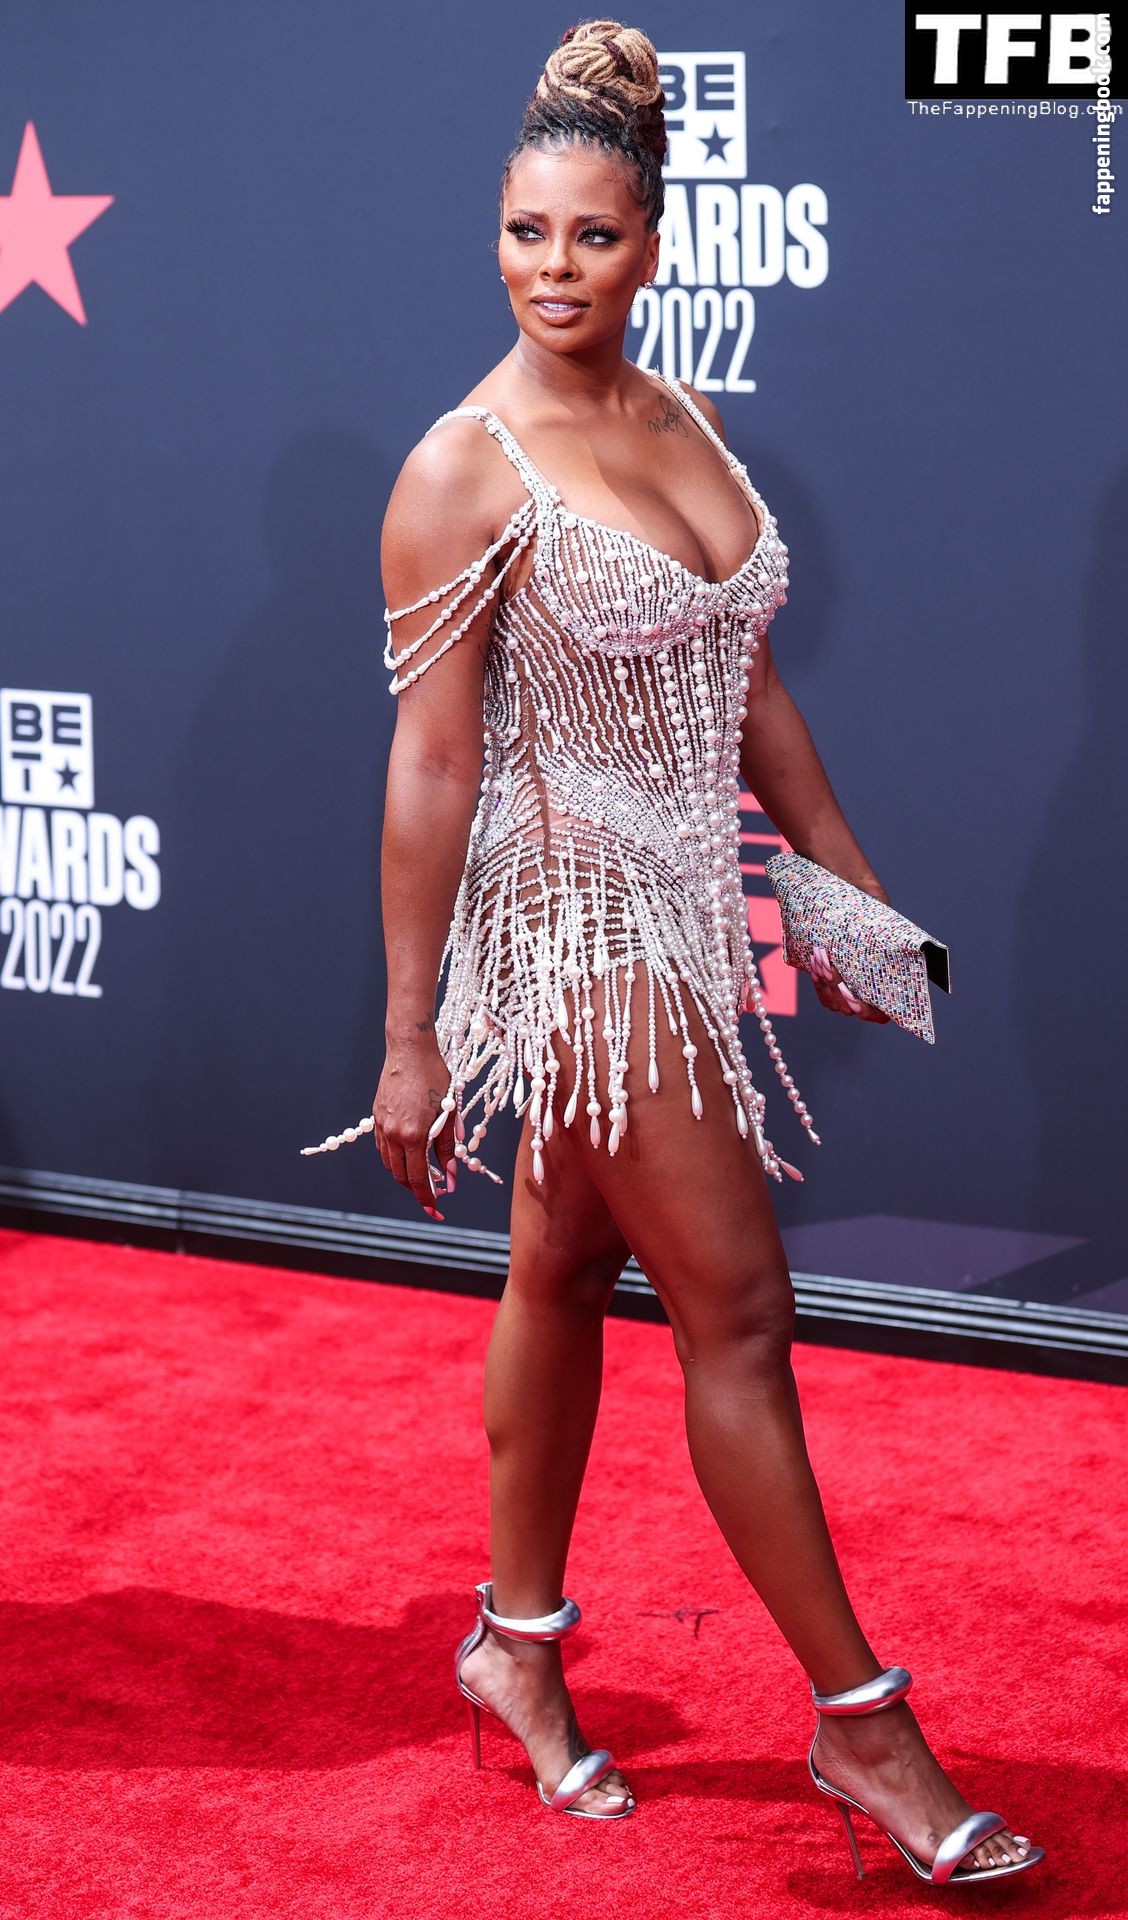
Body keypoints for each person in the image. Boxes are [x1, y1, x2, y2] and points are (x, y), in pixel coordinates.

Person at [310, 19, 1042, 1885]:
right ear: (493, 235)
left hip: (690, 905)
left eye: (590, 235)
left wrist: (846, 890)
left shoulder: (682, 416)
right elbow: (432, 768)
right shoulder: (460, 469)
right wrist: (408, 1037)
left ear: (652, 243)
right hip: (575, 931)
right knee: (742, 1314)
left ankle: (514, 1646)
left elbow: (753, 691)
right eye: (522, 231)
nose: (551, 268)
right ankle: (863, 1727)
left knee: (561, 1265)